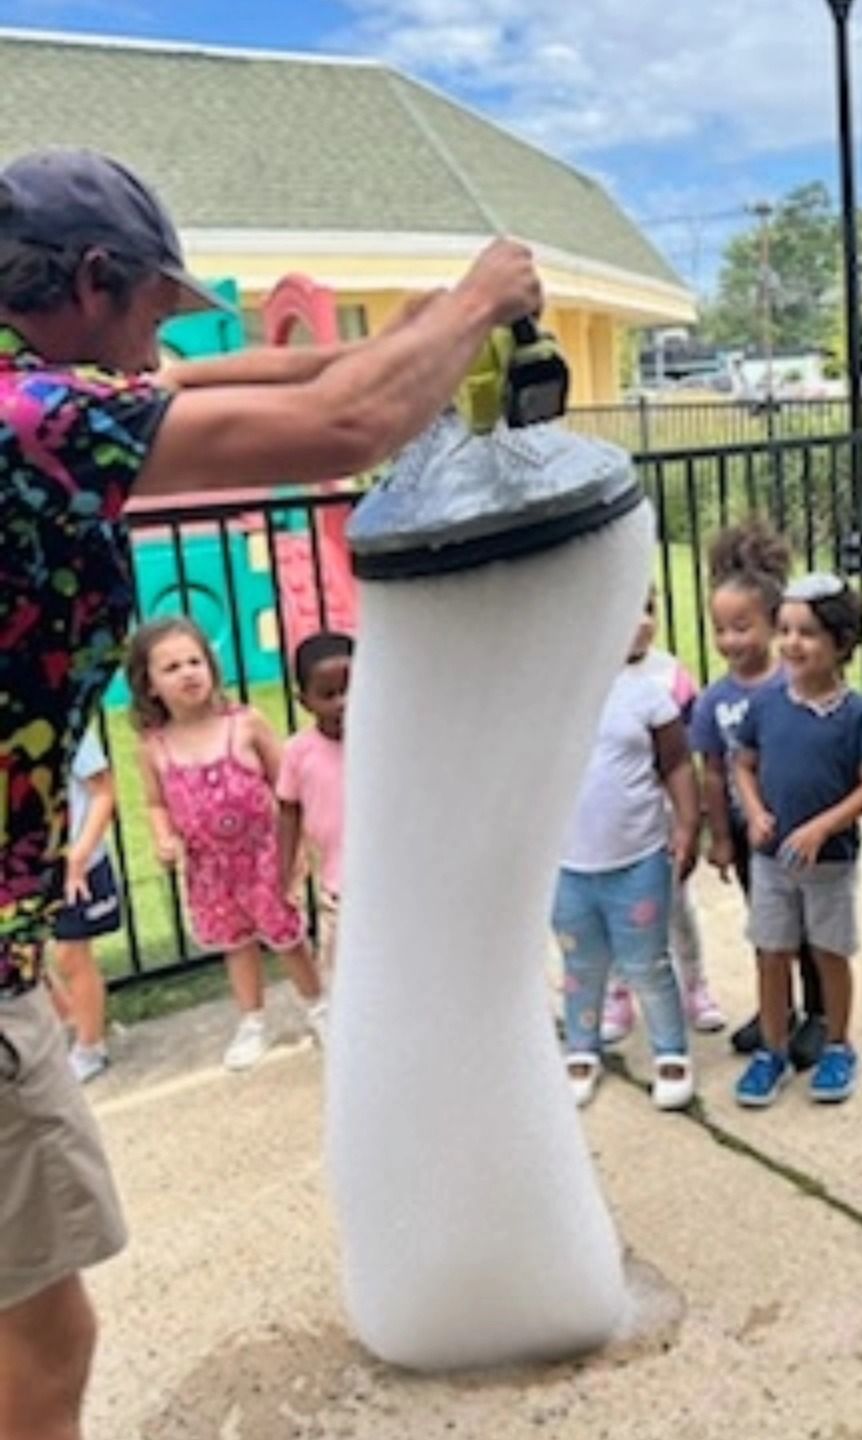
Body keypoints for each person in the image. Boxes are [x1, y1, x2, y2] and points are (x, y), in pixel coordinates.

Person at [0, 144, 539, 1440]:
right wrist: (477, 295)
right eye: (146, 309)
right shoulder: (39, 421)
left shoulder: (41, 400)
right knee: (43, 1334)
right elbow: (345, 427)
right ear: (89, 280)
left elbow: (250, 377)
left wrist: (415, 334)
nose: (153, 346)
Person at [128, 618, 327, 1070]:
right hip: (209, 868)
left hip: (264, 855)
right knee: (235, 944)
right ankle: (252, 1020)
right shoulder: (153, 747)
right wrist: (164, 837)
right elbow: (156, 803)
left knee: (287, 936)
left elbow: (287, 785)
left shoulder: (245, 724)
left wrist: (297, 849)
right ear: (150, 685)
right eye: (172, 667)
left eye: (195, 661)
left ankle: (319, 1005)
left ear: (212, 667)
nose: (187, 673)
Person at [732, 573, 862, 1107]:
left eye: (809, 633)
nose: (792, 644)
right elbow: (744, 765)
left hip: (831, 863)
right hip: (771, 860)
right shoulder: (767, 703)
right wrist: (753, 811)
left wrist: (824, 825)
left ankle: (839, 1044)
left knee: (828, 953)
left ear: (841, 644)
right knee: (770, 953)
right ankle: (771, 1049)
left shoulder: (857, 713)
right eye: (786, 630)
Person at [553, 598, 702, 1112]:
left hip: (638, 858)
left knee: (647, 961)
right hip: (567, 865)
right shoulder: (546, 702)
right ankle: (581, 1045)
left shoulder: (646, 698)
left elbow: (678, 764)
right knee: (580, 962)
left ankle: (670, 1049)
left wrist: (687, 823)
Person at [690, 519, 829, 1070]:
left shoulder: (794, 686)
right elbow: (710, 770)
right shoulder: (713, 700)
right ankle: (779, 1009)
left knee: (813, 928)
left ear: (774, 625)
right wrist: (720, 837)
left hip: (801, 831)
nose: (730, 642)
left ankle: (820, 1013)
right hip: (752, 836)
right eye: (720, 630)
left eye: (742, 628)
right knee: (767, 926)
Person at [601, 588, 725, 1040]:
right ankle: (618, 992)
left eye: (649, 608)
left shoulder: (672, 677)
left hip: (661, 818)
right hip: (612, 821)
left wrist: (694, 819)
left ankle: (695, 984)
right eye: (628, 607)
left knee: (674, 906)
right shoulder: (588, 678)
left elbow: (686, 755)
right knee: (610, 909)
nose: (641, 621)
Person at [277, 631, 353, 983]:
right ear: (304, 701)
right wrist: (284, 872)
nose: (343, 702)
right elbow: (289, 811)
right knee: (343, 975)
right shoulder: (298, 752)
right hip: (340, 892)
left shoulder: (388, 744)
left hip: (394, 885)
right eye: (328, 694)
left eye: (351, 689)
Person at [49, 730, 123, 1085]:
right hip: (27, 866)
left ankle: (91, 1046)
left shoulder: (67, 720)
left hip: (77, 863)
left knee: (70, 955)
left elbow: (103, 791)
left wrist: (80, 852)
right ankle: (73, 1022)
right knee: (25, 955)